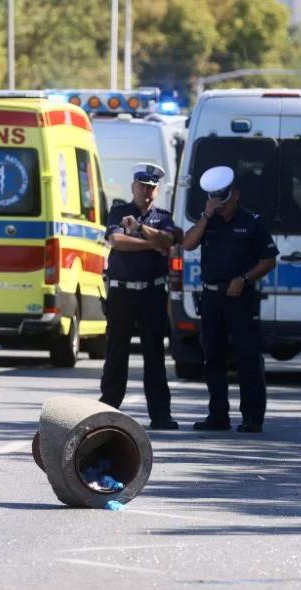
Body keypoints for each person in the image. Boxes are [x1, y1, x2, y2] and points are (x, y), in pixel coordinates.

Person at [181, 166, 278, 433]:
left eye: (223, 201)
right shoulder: (208, 221)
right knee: (212, 357)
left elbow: (268, 260)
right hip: (211, 297)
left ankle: (252, 417)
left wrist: (245, 278)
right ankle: (218, 415)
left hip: (240, 297)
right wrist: (205, 215)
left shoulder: (252, 221)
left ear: (236, 195)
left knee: (247, 356)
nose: (220, 207)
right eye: (215, 201)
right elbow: (188, 245)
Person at [99, 163, 181, 430]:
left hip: (152, 293)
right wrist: (152, 244)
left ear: (156, 191)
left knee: (154, 354)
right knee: (116, 352)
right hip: (122, 292)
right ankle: (108, 410)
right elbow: (118, 242)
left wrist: (143, 230)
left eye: (151, 188)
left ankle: (160, 414)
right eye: (142, 187)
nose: (146, 192)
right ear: (133, 187)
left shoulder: (163, 217)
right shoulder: (119, 211)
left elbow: (169, 242)